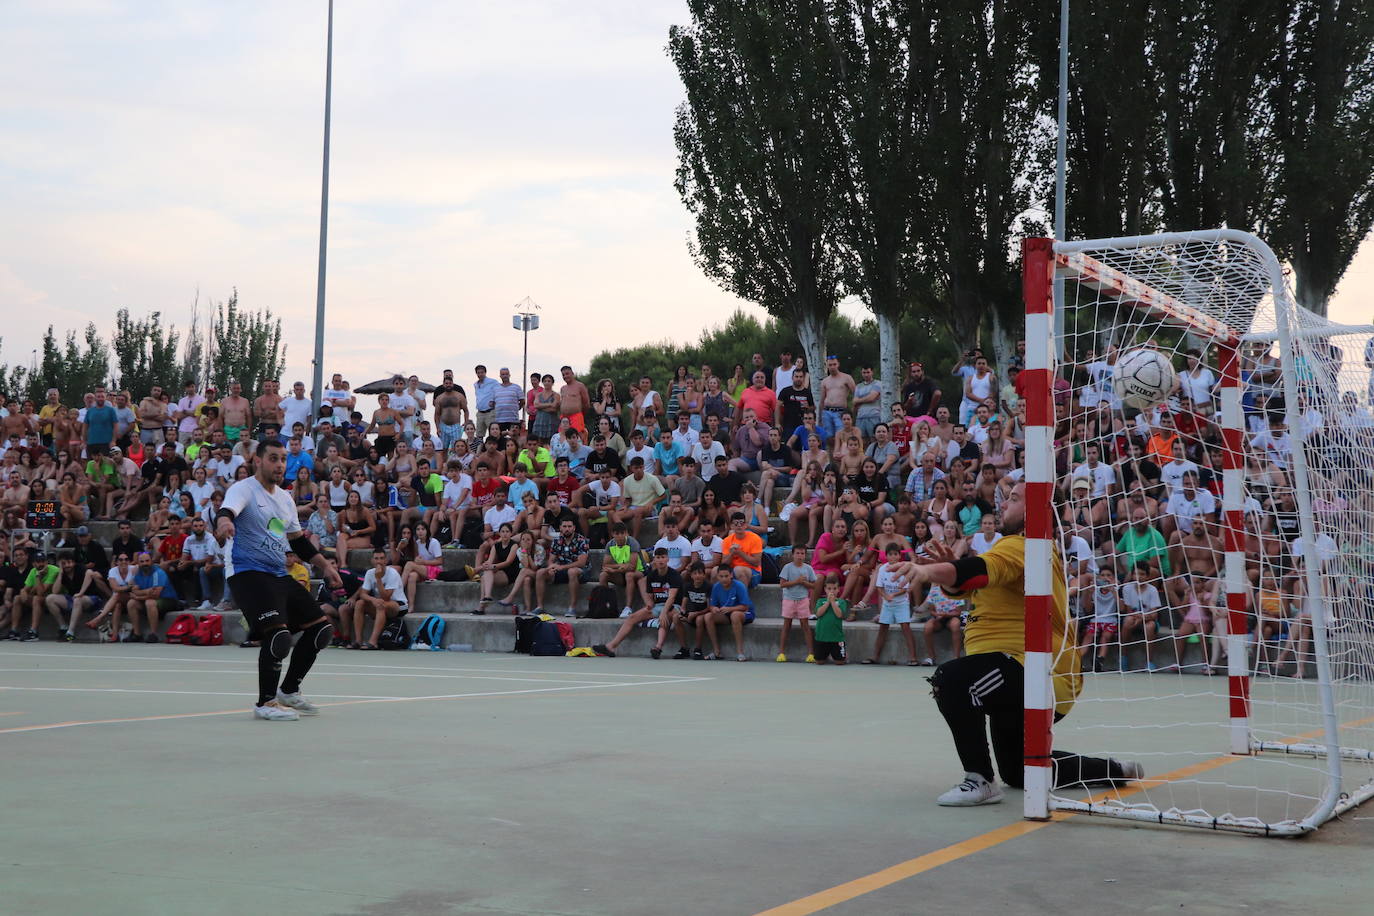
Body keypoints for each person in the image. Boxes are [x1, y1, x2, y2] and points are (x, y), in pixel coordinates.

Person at [901, 481, 1143, 806]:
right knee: (1018, 770)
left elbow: (975, 572)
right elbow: (971, 583)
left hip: (1031, 666)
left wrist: (929, 570)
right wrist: (949, 572)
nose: (1003, 505)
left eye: (1013, 499)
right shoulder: (1022, 549)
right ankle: (1112, 770)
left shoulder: (1024, 545)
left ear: (1034, 512)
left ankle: (980, 780)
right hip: (1035, 673)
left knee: (952, 680)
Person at [216, 438, 345, 720]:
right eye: (273, 458)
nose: (280, 464)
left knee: (321, 630)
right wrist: (224, 522)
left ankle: (289, 690)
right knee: (279, 635)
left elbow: (298, 542)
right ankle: (265, 703)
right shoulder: (244, 489)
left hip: (277, 574)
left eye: (283, 459)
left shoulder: (285, 499)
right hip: (247, 572)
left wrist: (326, 567)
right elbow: (228, 511)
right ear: (258, 461)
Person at [594, 548, 682, 658]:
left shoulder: (674, 575)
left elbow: (672, 598)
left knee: (664, 619)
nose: (660, 560)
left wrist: (663, 613)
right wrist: (649, 605)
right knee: (631, 618)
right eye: (658, 557)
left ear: (668, 559)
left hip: (674, 607)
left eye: (663, 557)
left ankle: (658, 648)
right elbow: (650, 596)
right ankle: (611, 646)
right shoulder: (651, 576)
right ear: (654, 559)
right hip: (658, 606)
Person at [864, 545, 920, 665]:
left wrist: (893, 595)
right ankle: (875, 656)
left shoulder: (904, 568)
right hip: (887, 604)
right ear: (886, 556)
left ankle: (913, 657)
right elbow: (879, 587)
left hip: (902, 603)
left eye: (895, 554)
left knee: (906, 627)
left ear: (900, 556)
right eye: (890, 554)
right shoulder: (883, 569)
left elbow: (905, 589)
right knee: (883, 627)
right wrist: (885, 596)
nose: (893, 557)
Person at [352, 549, 407, 650]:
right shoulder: (369, 572)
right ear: (372, 560)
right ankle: (358, 641)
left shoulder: (392, 573)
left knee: (381, 604)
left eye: (381, 558)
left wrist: (378, 578)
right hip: (380, 603)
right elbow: (363, 594)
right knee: (360, 603)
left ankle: (373, 642)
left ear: (386, 560)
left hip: (399, 605)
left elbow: (386, 597)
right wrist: (373, 599)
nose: (379, 561)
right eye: (376, 558)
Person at [535, 518, 590, 617]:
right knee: (540, 573)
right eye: (564, 526)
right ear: (560, 528)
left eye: (569, 526)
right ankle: (539, 607)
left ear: (574, 528)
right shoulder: (557, 541)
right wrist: (551, 568)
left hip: (581, 571)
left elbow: (581, 563)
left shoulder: (581, 540)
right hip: (562, 570)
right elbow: (551, 560)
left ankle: (572, 608)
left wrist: (562, 567)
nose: (567, 529)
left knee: (572, 572)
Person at [703, 563, 754, 662]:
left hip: (744, 613)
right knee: (708, 616)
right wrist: (714, 609)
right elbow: (712, 605)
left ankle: (740, 652)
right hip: (726, 614)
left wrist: (730, 609)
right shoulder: (716, 587)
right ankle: (716, 651)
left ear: (731, 575)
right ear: (717, 576)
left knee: (734, 615)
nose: (724, 579)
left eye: (726, 576)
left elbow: (745, 607)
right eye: (721, 576)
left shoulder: (739, 586)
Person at [776, 544, 816, 662]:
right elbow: (782, 584)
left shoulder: (808, 568)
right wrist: (797, 581)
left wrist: (805, 583)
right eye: (797, 553)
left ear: (805, 555)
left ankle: (810, 654)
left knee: (805, 626)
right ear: (792, 554)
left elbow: (814, 585)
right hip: (789, 600)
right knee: (786, 625)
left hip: (803, 600)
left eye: (802, 553)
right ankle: (781, 653)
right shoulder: (787, 567)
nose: (800, 556)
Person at [812, 575, 847, 664]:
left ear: (838, 589)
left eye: (834, 588)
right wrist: (828, 602)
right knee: (819, 662)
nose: (832, 591)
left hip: (836, 637)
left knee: (840, 662)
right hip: (821, 637)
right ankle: (824, 654)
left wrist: (833, 602)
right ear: (825, 589)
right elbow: (818, 613)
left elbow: (839, 615)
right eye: (829, 588)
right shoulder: (820, 601)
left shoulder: (841, 602)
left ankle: (842, 655)